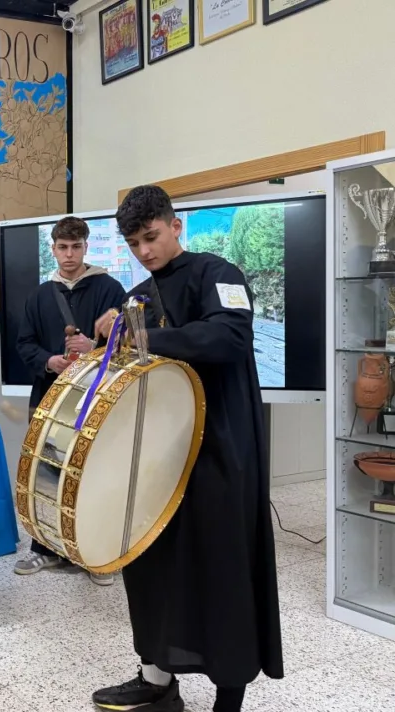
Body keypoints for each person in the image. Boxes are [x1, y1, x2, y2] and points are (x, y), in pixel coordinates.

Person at [89, 185, 282, 712]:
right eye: (133, 243)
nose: (144, 251)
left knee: (222, 566)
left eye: (151, 237)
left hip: (220, 450)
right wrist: (107, 337)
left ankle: (228, 697)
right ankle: (156, 680)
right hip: (161, 454)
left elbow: (230, 339)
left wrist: (141, 336)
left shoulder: (219, 275)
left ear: (176, 226)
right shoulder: (139, 296)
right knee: (150, 565)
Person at [13, 216, 126, 583]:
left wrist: (94, 347)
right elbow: (24, 344)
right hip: (50, 395)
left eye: (76, 247)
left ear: (86, 247)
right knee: (45, 470)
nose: (69, 254)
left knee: (95, 470)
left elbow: (127, 343)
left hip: (96, 397)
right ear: (53, 249)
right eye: (62, 247)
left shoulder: (110, 289)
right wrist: (50, 361)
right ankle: (44, 548)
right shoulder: (39, 295)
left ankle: (96, 554)